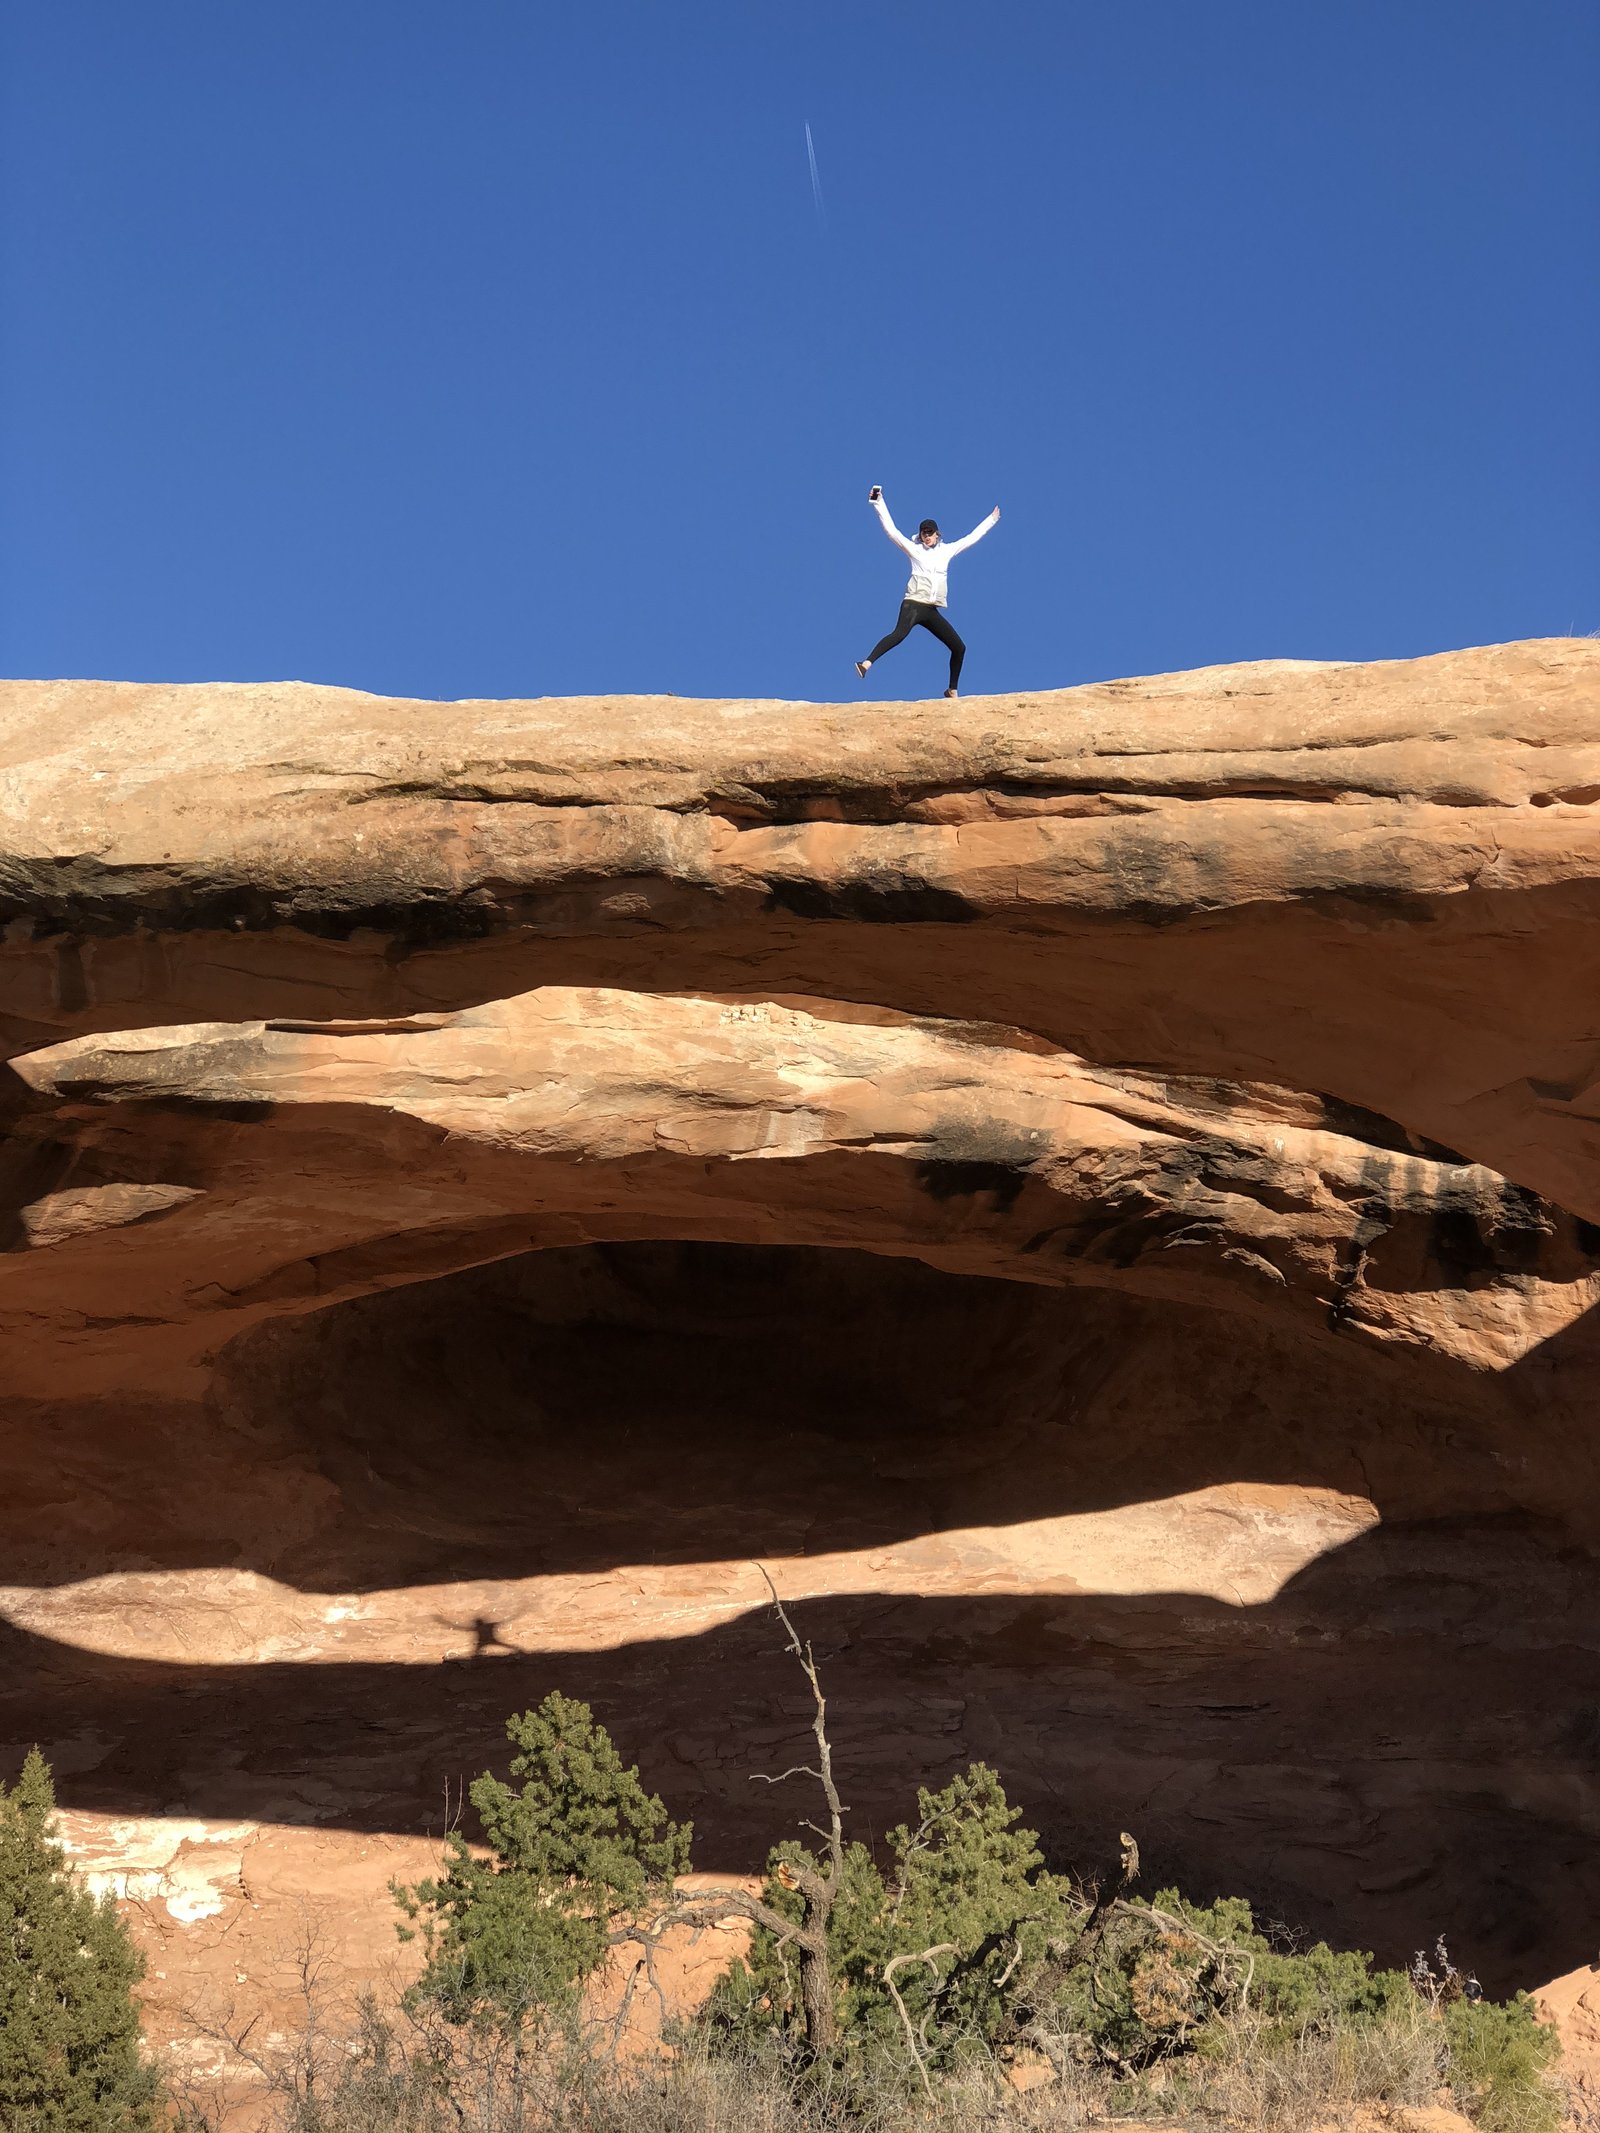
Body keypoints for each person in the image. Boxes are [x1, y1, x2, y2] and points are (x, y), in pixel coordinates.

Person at [856, 486, 1000, 697]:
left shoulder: (947, 551)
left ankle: (952, 690)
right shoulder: (915, 550)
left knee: (959, 647)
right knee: (899, 634)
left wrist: (992, 519)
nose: (927, 536)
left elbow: (972, 537)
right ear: (920, 535)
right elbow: (892, 531)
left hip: (931, 611)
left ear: (937, 534)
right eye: (924, 533)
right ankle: (866, 663)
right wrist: (878, 502)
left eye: (930, 533)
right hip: (913, 604)